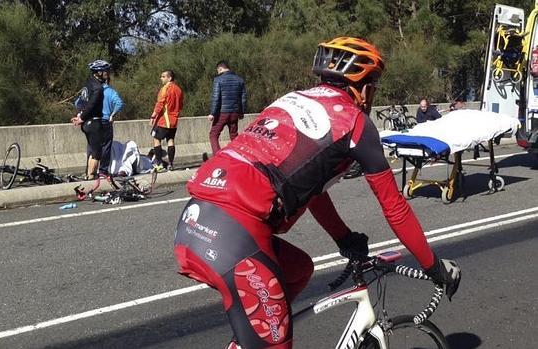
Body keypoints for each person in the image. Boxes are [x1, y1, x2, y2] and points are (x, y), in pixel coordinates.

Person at [174, 37, 461, 349]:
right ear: (363, 88)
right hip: (234, 234)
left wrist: (344, 237)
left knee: (298, 270)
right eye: (374, 85)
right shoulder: (355, 123)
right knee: (275, 342)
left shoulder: (291, 100)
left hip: (195, 220)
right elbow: (394, 208)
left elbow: (313, 190)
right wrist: (432, 266)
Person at [71, 60, 109, 179]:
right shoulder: (98, 88)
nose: (107, 74)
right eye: (105, 71)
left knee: (93, 149)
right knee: (97, 152)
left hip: (87, 123)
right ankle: (91, 177)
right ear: (98, 72)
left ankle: (89, 175)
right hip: (93, 122)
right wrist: (81, 118)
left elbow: (80, 102)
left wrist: (80, 114)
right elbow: (92, 105)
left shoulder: (87, 85)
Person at [207, 60, 247, 155]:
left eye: (218, 71)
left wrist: (212, 113)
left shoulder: (218, 80)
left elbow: (216, 98)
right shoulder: (240, 80)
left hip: (222, 113)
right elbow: (243, 98)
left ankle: (217, 156)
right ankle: (237, 155)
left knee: (213, 134)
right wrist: (242, 112)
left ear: (220, 68)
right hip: (235, 113)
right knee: (234, 135)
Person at [150, 70, 183, 171]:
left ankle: (159, 164)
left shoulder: (165, 89)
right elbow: (181, 105)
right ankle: (171, 164)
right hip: (174, 120)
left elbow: (160, 103)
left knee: (156, 139)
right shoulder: (178, 89)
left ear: (169, 78)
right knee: (170, 140)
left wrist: (153, 116)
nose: (161, 78)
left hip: (164, 120)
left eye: (163, 76)